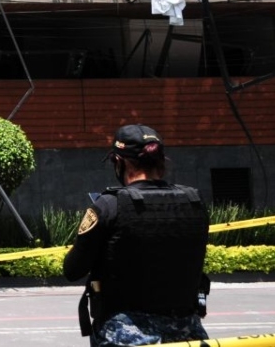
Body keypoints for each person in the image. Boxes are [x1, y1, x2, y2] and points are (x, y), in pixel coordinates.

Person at [63, 124, 210, 347]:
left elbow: (73, 269)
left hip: (125, 331)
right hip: (188, 330)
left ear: (120, 162)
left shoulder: (110, 205)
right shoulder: (193, 201)